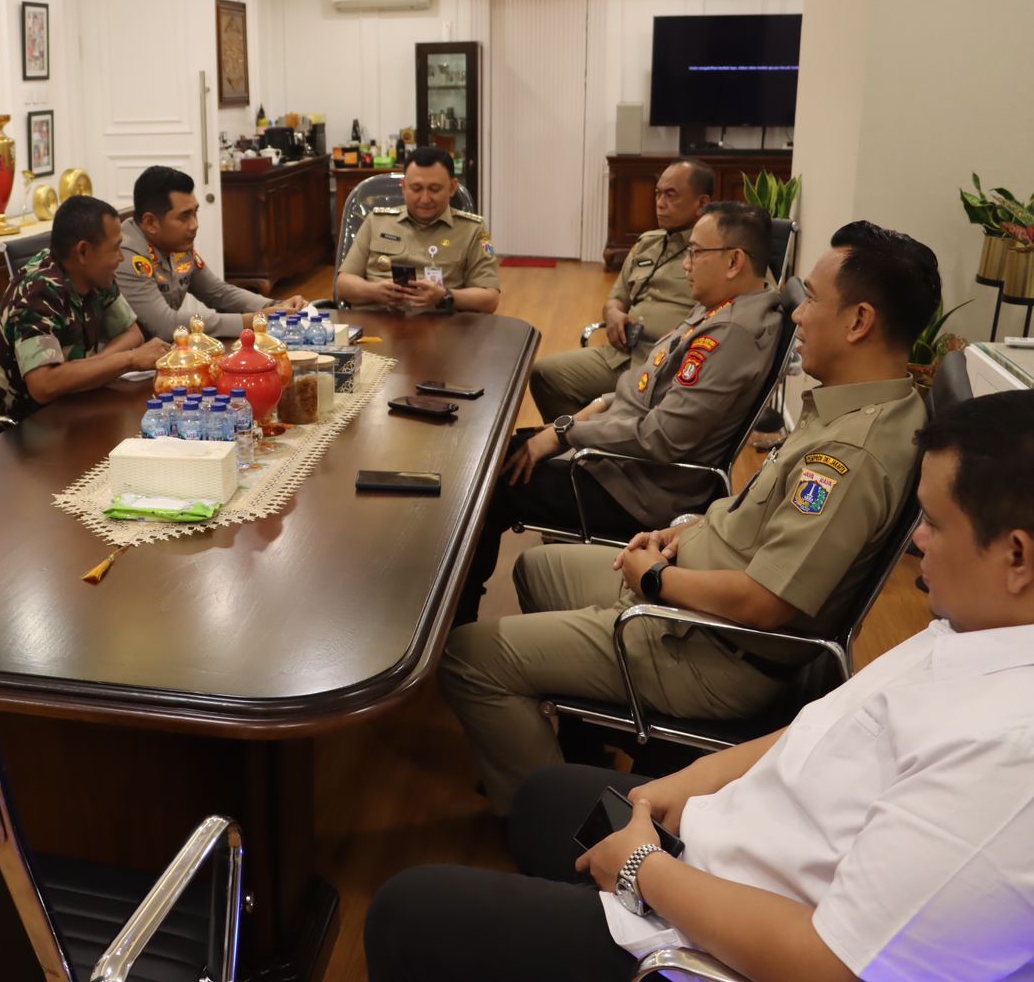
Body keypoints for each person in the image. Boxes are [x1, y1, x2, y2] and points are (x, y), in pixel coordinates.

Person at [368, 390, 1034, 982]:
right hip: (729, 851)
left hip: (721, 943)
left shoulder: (1010, 757)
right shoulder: (975, 626)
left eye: (934, 525)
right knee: (546, 799)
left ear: (1016, 557)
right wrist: (679, 789)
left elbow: (833, 965)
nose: (916, 542)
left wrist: (644, 871)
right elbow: (822, 723)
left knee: (406, 913)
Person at [441, 221, 941, 818]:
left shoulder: (852, 454)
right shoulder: (856, 401)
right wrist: (688, 532)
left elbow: (766, 604)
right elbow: (761, 514)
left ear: (859, 322)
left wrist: (654, 580)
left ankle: (572, 827)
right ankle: (578, 756)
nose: (799, 316)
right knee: (540, 571)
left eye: (811, 299)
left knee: (469, 657)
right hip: (694, 589)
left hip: (712, 646)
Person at [455, 202, 782, 624]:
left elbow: (661, 438)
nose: (686, 264)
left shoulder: (731, 333)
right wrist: (592, 409)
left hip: (639, 488)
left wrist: (566, 434)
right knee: (504, 450)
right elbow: (649, 387)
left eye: (696, 253)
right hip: (622, 457)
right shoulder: (722, 306)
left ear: (734, 260)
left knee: (493, 483)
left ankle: (458, 621)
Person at [530, 160, 713, 421]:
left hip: (667, 368)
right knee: (545, 374)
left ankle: (598, 444)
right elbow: (616, 298)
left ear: (702, 203)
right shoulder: (647, 243)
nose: (660, 203)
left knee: (612, 416)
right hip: (622, 356)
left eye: (671, 195)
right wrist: (613, 313)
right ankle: (578, 451)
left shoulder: (716, 254)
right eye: (658, 194)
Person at [0, 195, 168, 422]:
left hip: (63, 412)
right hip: (6, 431)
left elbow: (132, 334)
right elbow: (44, 385)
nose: (121, 257)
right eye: (116, 248)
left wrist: (90, 369)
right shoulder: (38, 291)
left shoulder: (97, 276)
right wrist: (129, 360)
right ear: (83, 252)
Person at [117, 165, 306, 341]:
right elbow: (166, 324)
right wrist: (251, 321)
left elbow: (218, 292)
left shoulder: (176, 245)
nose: (194, 225)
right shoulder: (127, 256)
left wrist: (275, 306)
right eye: (184, 216)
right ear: (150, 223)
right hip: (129, 367)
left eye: (195, 213)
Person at [335, 147, 501, 313]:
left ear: (452, 188)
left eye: (434, 189)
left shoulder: (472, 230)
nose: (425, 198)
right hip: (376, 326)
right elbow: (343, 285)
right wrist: (375, 292)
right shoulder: (377, 221)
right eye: (416, 189)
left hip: (441, 329)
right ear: (404, 187)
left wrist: (444, 296)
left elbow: (489, 299)